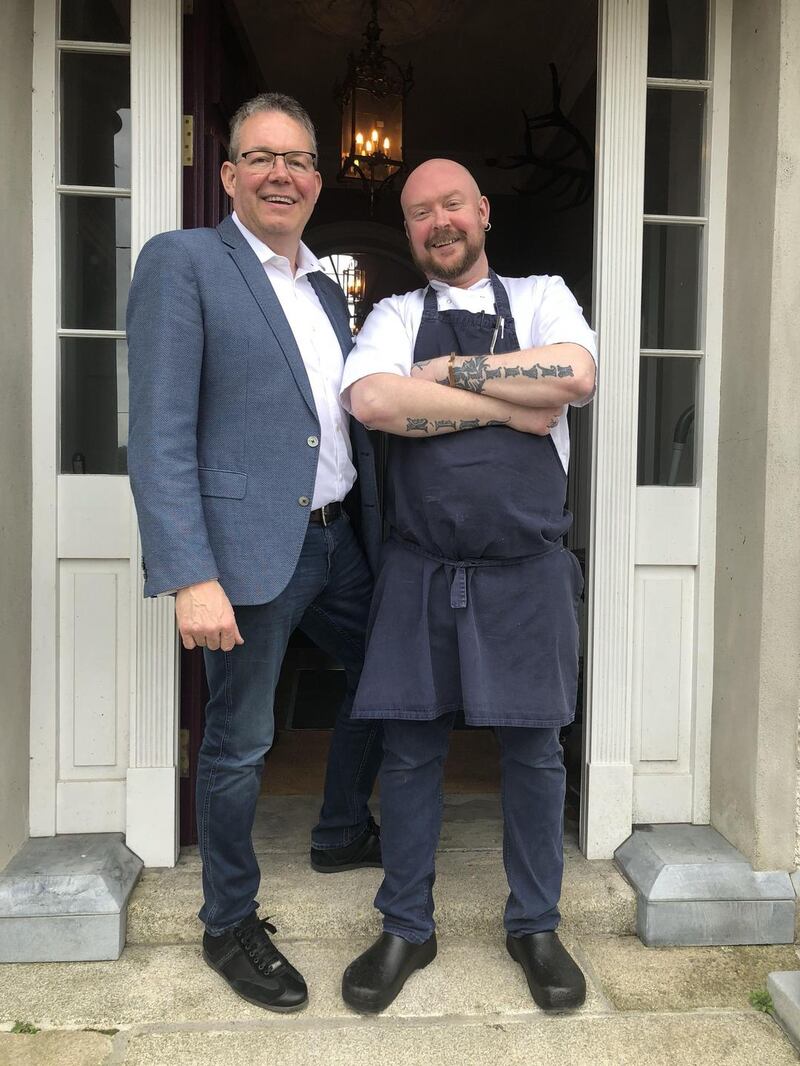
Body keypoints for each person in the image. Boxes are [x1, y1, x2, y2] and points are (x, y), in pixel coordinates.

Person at [126, 92, 383, 1014]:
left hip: (336, 541)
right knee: (239, 744)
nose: (283, 173)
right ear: (228, 174)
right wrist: (191, 574)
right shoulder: (185, 262)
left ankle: (341, 828)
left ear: (317, 180)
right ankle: (228, 920)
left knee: (388, 676)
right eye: (262, 157)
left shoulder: (324, 287)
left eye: (300, 159)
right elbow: (157, 435)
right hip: (242, 549)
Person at [338, 158, 597, 1014]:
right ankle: (407, 924)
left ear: (482, 212)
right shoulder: (393, 313)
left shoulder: (546, 294)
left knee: (534, 752)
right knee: (410, 751)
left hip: (527, 570)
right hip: (422, 567)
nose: (438, 222)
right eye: (419, 213)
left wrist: (446, 376)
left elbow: (576, 377)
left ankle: (535, 925)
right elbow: (374, 401)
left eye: (452, 205)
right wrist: (512, 404)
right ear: (409, 230)